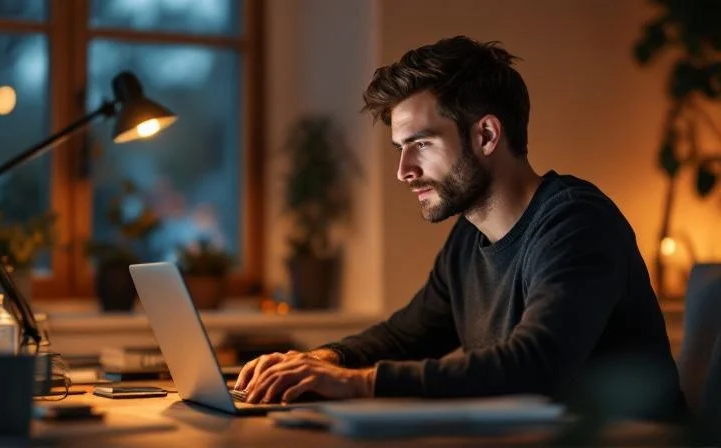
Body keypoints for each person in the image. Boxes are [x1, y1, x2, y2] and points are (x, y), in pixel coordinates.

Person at [234, 35, 685, 419]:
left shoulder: (576, 223)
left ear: (486, 135)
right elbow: (405, 336)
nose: (404, 171)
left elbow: (536, 365)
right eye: (399, 149)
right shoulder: (470, 238)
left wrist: (355, 384)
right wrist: (321, 359)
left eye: (421, 144)